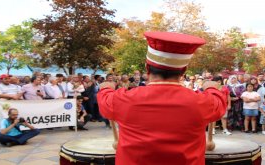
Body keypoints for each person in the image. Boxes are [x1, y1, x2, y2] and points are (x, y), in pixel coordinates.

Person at [97, 32, 226, 165]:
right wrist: (211, 88)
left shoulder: (123, 99)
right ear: (183, 71)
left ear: (147, 68)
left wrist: (106, 88)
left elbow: (104, 100)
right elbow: (218, 103)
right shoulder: (202, 102)